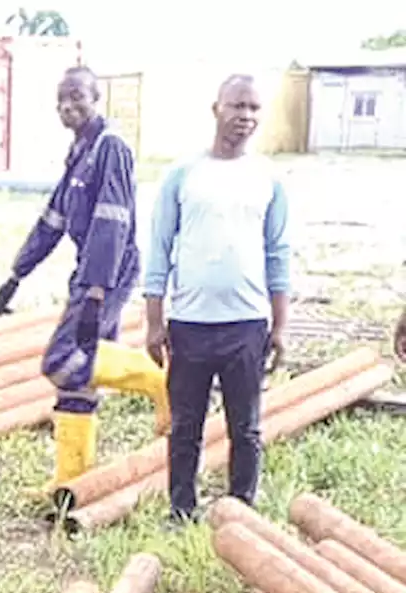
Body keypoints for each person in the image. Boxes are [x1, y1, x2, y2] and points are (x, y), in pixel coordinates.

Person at [0, 65, 170, 487]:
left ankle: (163, 382)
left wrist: (93, 290)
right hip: (88, 269)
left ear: (96, 98)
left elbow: (113, 222)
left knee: (62, 360)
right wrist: (16, 274)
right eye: (61, 99)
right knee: (76, 385)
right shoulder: (79, 152)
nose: (67, 105)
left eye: (77, 96)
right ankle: (72, 484)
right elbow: (52, 221)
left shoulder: (111, 148)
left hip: (107, 271)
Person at [143, 74, 292, 524]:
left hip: (247, 325)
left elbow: (278, 254)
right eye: (237, 106)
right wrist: (154, 321)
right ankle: (180, 510)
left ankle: (241, 512)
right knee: (185, 427)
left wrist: (280, 326)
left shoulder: (269, 178)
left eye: (253, 109)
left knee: (245, 429)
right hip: (189, 325)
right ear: (216, 109)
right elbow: (159, 249)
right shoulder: (183, 175)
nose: (245, 117)